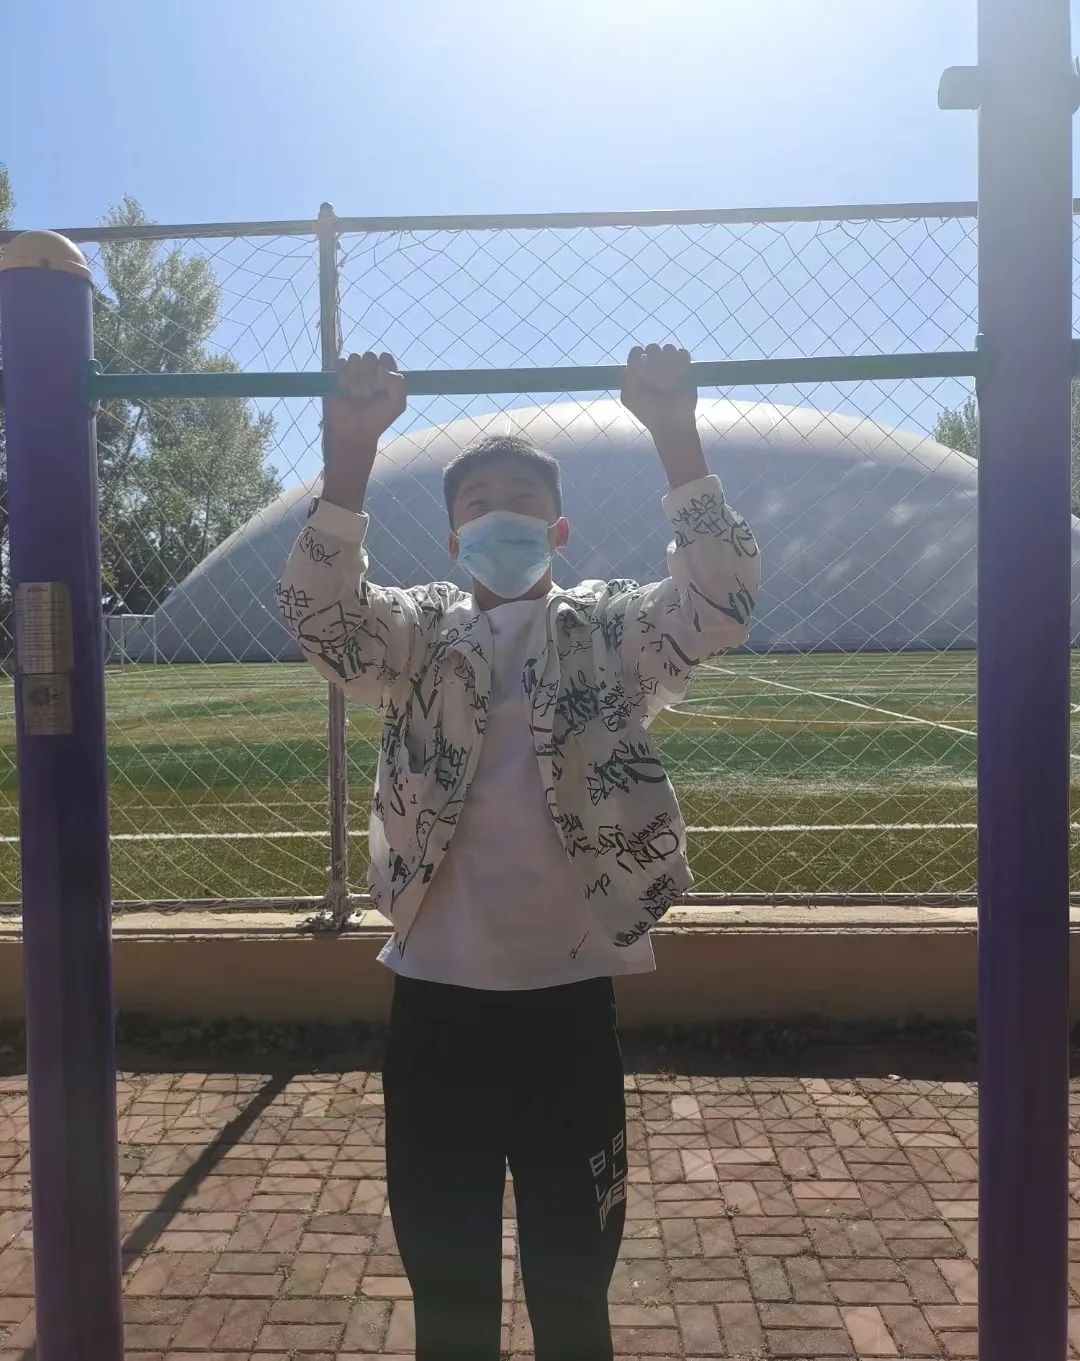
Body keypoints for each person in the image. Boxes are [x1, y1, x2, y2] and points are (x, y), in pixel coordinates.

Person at [277, 344, 760, 1361]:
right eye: (481, 504)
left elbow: (718, 603)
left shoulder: (607, 631)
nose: (503, 517)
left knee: (573, 1282)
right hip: (435, 1007)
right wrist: (352, 451)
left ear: (559, 529)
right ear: (454, 536)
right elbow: (322, 617)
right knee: (448, 1283)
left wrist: (676, 433)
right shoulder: (418, 635)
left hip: (568, 1008)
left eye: (525, 502)